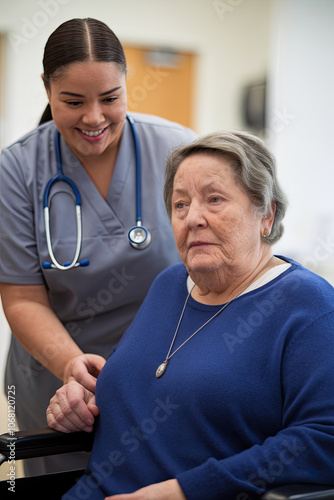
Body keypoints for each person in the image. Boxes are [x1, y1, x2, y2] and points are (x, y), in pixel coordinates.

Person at [47, 130, 334, 499]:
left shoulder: (308, 306)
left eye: (214, 199)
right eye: (180, 205)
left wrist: (182, 491)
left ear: (266, 214)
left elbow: (324, 439)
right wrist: (79, 403)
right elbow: (133, 391)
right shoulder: (170, 285)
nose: (192, 218)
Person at [0, 18, 196, 476]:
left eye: (110, 98)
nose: (94, 118)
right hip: (57, 385)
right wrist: (72, 366)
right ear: (47, 89)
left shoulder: (177, 149)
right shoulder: (16, 168)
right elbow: (22, 296)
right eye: (73, 101)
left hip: (159, 375)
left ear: (127, 84)